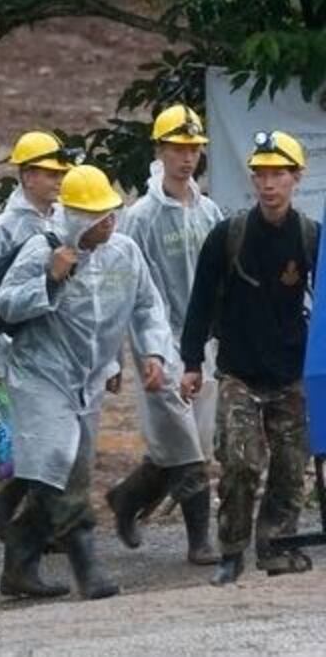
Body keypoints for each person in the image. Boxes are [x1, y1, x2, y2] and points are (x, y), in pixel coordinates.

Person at [0, 166, 170, 600]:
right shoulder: (42, 250)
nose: (107, 223)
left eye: (110, 213)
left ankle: (18, 554)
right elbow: (5, 305)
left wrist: (152, 352)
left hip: (88, 379)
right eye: (96, 216)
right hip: (40, 374)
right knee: (62, 462)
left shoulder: (125, 254)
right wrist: (50, 278)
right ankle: (87, 567)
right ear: (74, 217)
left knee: (64, 470)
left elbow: (147, 306)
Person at [181, 131, 317, 585]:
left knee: (290, 464)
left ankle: (276, 546)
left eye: (278, 174)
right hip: (239, 368)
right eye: (260, 174)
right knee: (240, 461)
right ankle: (233, 551)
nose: (268, 184)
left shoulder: (311, 238)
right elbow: (200, 301)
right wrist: (191, 362)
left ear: (297, 177)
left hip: (292, 371)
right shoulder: (229, 234)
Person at [109, 105, 223, 565]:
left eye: (194, 148)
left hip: (204, 344)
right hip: (158, 340)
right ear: (160, 150)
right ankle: (200, 541)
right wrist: (125, 354)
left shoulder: (209, 210)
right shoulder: (141, 216)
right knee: (183, 440)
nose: (187, 157)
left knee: (192, 439)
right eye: (178, 147)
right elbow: (128, 288)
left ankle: (126, 497)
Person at [0, 131, 79, 540]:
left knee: (46, 442)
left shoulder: (61, 221)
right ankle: (33, 527)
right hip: (17, 349)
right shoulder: (0, 229)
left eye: (60, 173)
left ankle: (19, 514)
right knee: (36, 442)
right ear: (27, 175)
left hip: (55, 348)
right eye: (49, 173)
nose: (57, 180)